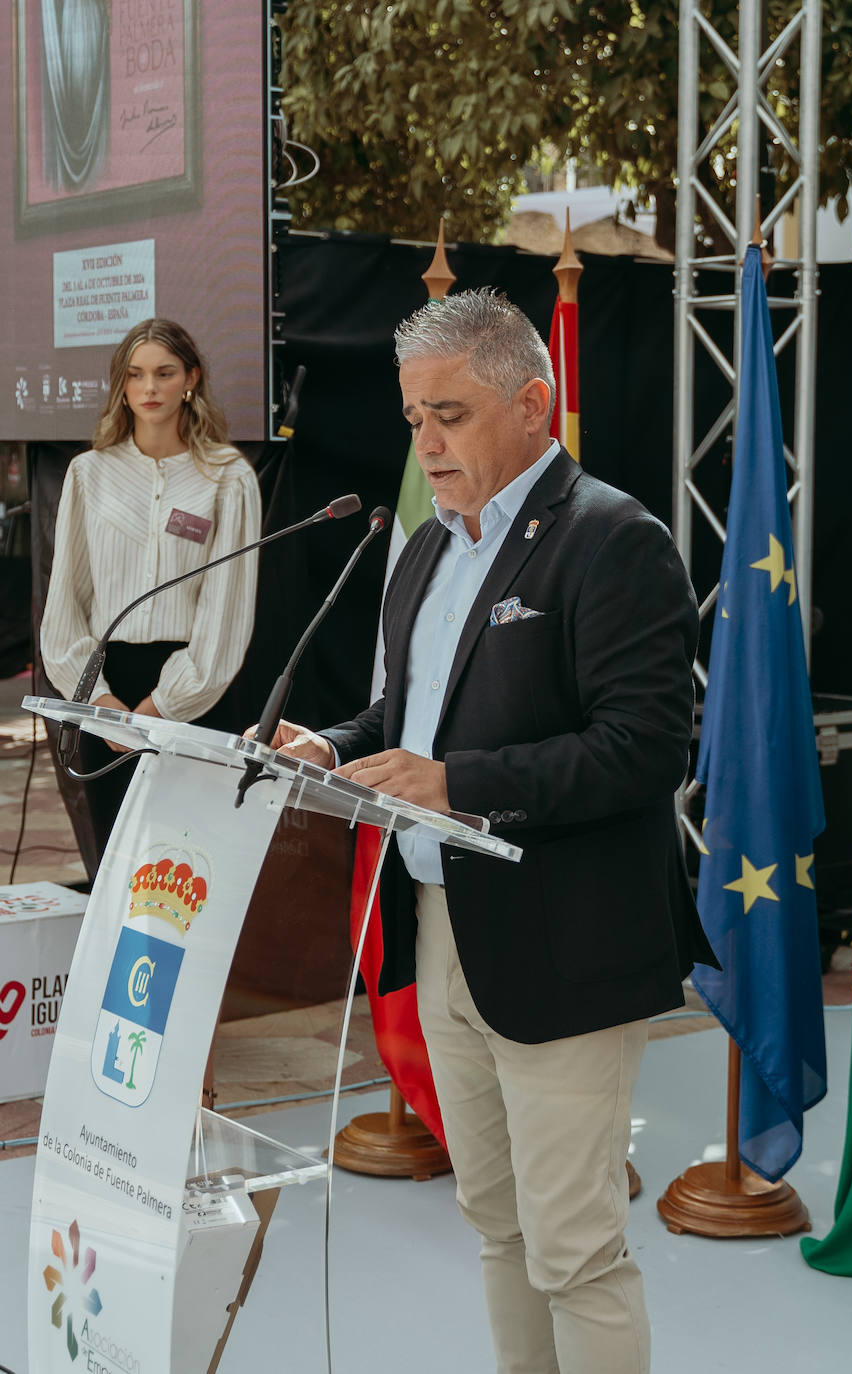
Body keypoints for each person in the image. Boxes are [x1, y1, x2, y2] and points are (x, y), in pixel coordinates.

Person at [267, 289, 717, 1373]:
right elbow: (404, 715)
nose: (425, 441)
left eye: (450, 416)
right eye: (413, 418)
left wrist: (456, 779)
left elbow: (647, 749)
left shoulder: (613, 539)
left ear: (531, 403)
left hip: (564, 941)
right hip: (441, 928)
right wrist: (330, 744)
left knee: (573, 1249)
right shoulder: (423, 548)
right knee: (497, 1223)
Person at [41, 318, 261, 875]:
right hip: (105, 693)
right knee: (118, 865)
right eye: (136, 375)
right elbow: (66, 602)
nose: (150, 388)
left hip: (196, 690)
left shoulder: (228, 479)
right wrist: (101, 703)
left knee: (187, 870)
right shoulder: (87, 474)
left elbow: (226, 611)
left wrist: (163, 707)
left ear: (191, 378)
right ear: (121, 385)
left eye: (165, 373)